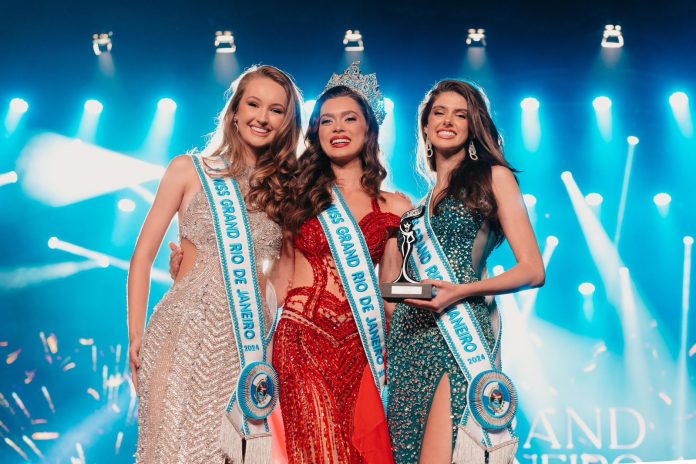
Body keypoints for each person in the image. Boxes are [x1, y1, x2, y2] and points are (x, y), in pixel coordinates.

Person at [127, 65, 301, 464]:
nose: (262, 117)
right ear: (235, 111)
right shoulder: (188, 170)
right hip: (181, 334)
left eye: (276, 110)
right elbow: (142, 257)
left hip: (248, 345)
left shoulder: (288, 189)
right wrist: (135, 335)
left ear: (287, 122)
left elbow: (285, 275)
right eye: (253, 104)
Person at [386, 80, 545, 464]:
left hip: (458, 334)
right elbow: (391, 290)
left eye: (461, 115)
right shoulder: (414, 211)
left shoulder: (495, 177)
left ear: (474, 127)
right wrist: (404, 294)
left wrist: (460, 291)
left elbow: (532, 270)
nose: (448, 121)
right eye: (439, 113)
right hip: (410, 340)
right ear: (425, 126)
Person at [273, 63, 411, 463]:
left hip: (364, 348)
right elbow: (278, 276)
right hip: (301, 339)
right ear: (315, 132)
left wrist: (455, 293)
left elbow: (393, 288)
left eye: (349, 118)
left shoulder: (398, 207)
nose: (337, 127)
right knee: (317, 451)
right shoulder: (294, 195)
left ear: (369, 129)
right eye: (326, 120)